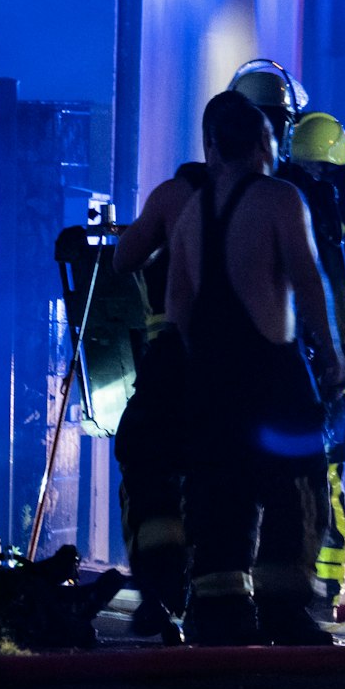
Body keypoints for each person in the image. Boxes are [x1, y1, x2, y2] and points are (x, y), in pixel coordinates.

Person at [165, 91, 345, 645]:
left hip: (212, 380)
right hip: (275, 376)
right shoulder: (279, 198)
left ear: (215, 147)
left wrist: (196, 373)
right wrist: (333, 352)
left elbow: (178, 306)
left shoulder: (192, 214)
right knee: (295, 492)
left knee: (222, 495)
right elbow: (308, 279)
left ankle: (219, 612)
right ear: (267, 142)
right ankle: (284, 611)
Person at [109, 138, 218, 641]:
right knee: (215, 481)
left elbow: (122, 259)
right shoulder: (265, 197)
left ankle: (158, 594)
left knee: (145, 462)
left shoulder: (176, 196)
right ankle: (208, 599)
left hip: (172, 360)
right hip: (235, 366)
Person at [288, 111, 345, 609]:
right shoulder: (289, 205)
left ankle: (325, 584)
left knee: (324, 474)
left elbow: (338, 266)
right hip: (297, 353)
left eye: (312, 170)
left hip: (331, 360)